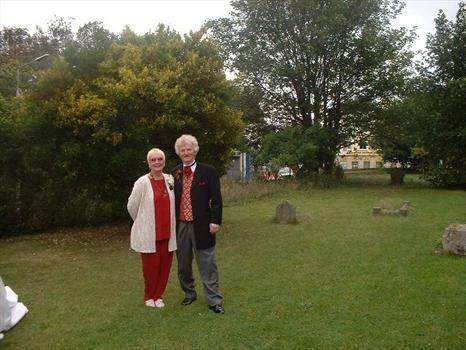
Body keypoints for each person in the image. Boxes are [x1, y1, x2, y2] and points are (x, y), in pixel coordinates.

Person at [173, 134, 224, 314]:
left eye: (189, 149)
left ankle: (214, 300)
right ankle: (189, 293)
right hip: (181, 225)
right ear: (179, 153)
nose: (186, 152)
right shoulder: (175, 173)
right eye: (183, 150)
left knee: (207, 263)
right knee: (183, 264)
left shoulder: (208, 171)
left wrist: (215, 221)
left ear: (195, 151)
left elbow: (216, 199)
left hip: (202, 224)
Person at [127, 148, 177, 308]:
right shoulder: (142, 182)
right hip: (150, 233)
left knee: (165, 266)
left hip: (168, 232)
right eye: (153, 159)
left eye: (160, 159)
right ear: (148, 163)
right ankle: (149, 295)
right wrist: (142, 221)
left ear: (164, 161)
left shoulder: (170, 179)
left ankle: (158, 295)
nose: (157, 162)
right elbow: (132, 206)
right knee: (150, 267)